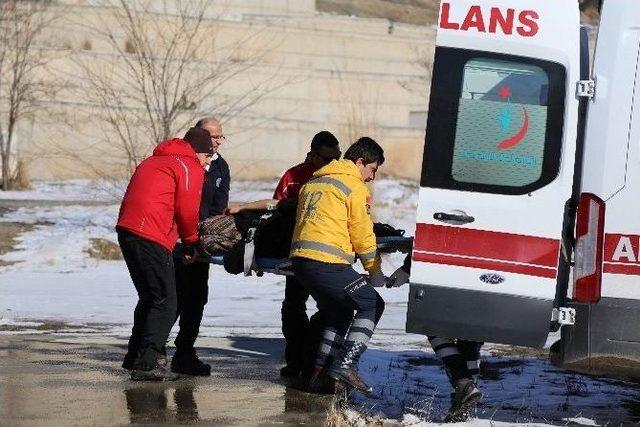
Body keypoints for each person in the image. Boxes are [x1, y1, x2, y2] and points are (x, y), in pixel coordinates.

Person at [225, 131, 341, 379]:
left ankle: (313, 358)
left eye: (337, 157)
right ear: (312, 155)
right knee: (294, 306)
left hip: (329, 254)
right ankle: (296, 359)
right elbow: (277, 207)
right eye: (327, 158)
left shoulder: (343, 177)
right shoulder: (295, 176)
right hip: (297, 252)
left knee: (329, 307)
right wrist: (244, 207)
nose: (333, 163)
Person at [290, 136, 388, 394]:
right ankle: (346, 365)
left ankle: (317, 375)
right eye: (372, 170)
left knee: (340, 311)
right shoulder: (352, 185)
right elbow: (362, 231)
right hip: (328, 263)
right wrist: (374, 269)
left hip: (302, 263)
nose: (372, 178)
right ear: (360, 161)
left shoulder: (315, 181)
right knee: (372, 303)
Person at [118, 127, 214, 381]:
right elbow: (187, 210)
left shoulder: (155, 160)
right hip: (151, 234)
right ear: (201, 152)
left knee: (150, 297)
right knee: (166, 301)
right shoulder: (188, 165)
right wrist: (192, 241)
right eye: (208, 158)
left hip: (127, 230)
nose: (207, 164)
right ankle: (148, 364)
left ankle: (135, 357)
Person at [389, 256, 483, 421]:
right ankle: (465, 398)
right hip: (492, 274)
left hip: (451, 270)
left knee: (431, 325)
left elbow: (437, 232)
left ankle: (464, 385)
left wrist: (407, 267)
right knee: (472, 334)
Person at [171, 117, 231, 376]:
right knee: (170, 299)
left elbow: (218, 208)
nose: (217, 142)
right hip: (173, 240)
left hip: (198, 243)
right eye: (212, 136)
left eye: (220, 137)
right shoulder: (181, 163)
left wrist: (206, 240)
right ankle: (150, 353)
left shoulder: (220, 167)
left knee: (196, 299)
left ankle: (185, 352)